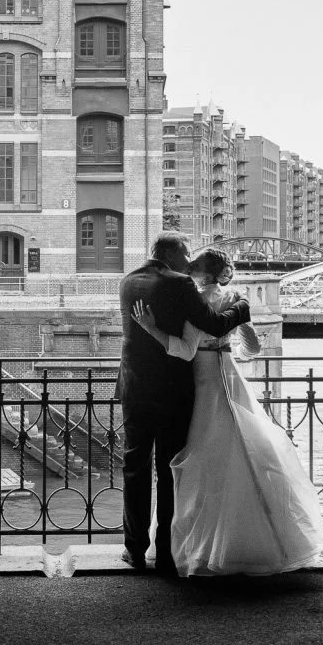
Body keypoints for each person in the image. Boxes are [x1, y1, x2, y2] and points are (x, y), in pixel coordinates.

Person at [132, 247, 323, 577]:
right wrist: (233, 350)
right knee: (248, 452)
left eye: (194, 264)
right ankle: (267, 541)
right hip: (231, 377)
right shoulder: (235, 299)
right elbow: (252, 348)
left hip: (202, 382)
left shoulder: (195, 302)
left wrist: (151, 328)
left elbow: (184, 351)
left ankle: (194, 546)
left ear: (201, 271)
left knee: (201, 458)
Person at [117, 232, 251, 575]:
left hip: (133, 387)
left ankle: (133, 549)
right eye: (186, 252)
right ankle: (165, 553)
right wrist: (242, 308)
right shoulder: (179, 284)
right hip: (171, 390)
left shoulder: (128, 281)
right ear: (174, 254)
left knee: (134, 467)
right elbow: (214, 324)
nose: (189, 259)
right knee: (169, 469)